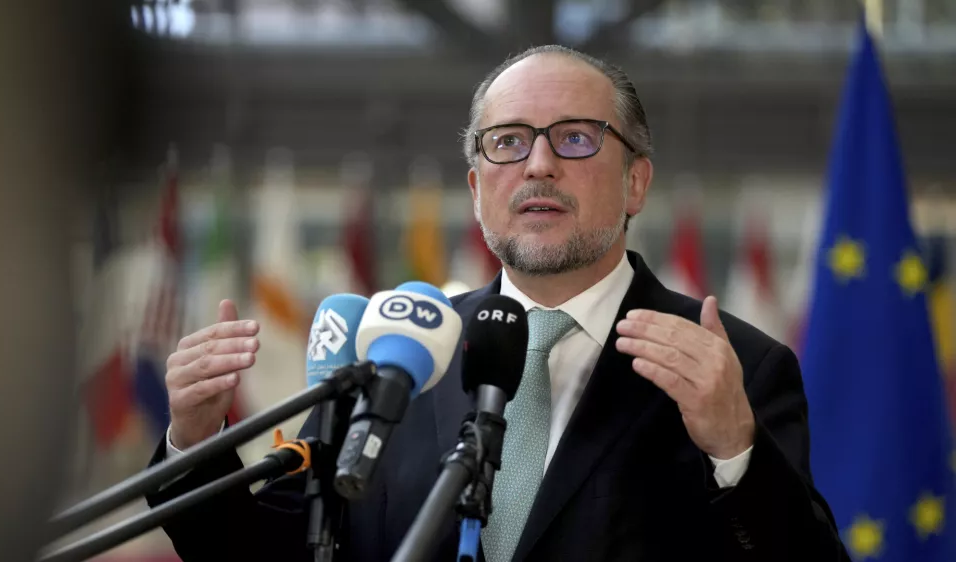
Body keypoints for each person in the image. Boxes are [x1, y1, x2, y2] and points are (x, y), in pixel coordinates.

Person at [147, 45, 850, 561]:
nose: (538, 165)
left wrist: (735, 450)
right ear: (478, 186)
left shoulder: (736, 366)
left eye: (575, 138)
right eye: (508, 142)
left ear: (637, 183)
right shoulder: (399, 352)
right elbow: (275, 553)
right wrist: (194, 441)